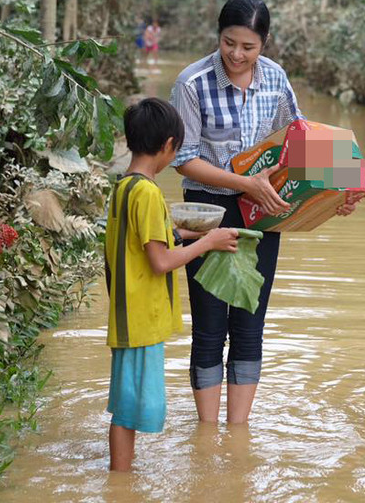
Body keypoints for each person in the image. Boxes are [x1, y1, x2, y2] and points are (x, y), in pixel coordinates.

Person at [170, 0, 358, 425]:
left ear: (264, 44)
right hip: (207, 213)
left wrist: (342, 188)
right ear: (218, 36)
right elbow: (185, 157)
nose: (236, 54)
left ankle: (237, 433)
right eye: (228, 42)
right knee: (209, 326)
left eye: (248, 47)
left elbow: (302, 139)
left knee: (250, 324)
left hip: (263, 213)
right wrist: (244, 184)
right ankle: (207, 432)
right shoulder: (191, 83)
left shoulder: (275, 78)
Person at [104, 98, 239, 471]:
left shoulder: (125, 188)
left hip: (126, 313)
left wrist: (183, 232)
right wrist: (207, 243)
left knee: (125, 403)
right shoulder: (147, 193)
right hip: (141, 317)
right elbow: (160, 261)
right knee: (130, 409)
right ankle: (121, 479)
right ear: (168, 146)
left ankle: (121, 478)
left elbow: (146, 240)